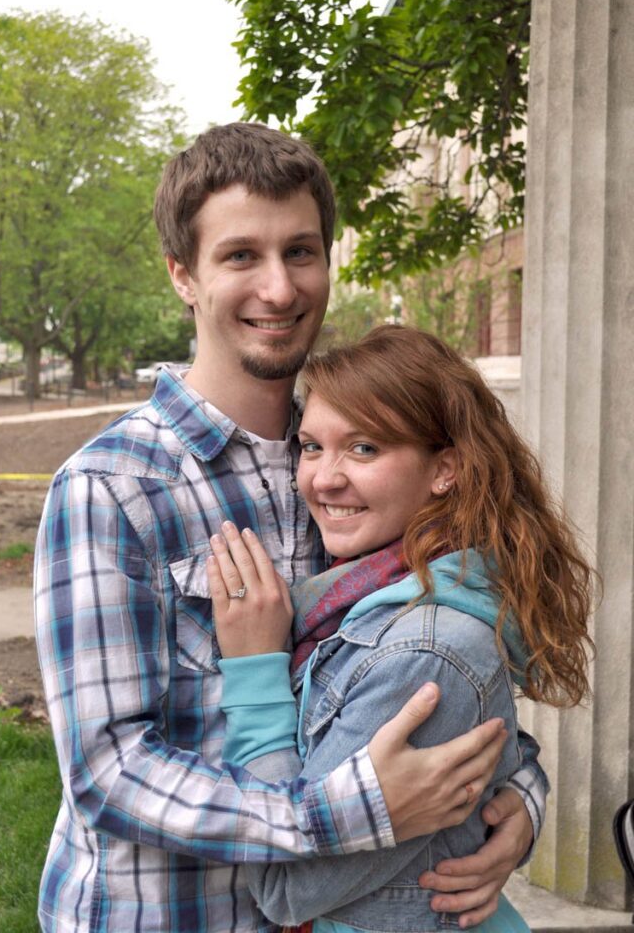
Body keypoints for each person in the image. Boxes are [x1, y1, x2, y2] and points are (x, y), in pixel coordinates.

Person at [34, 124, 546, 933]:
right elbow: (109, 771)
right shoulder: (113, 486)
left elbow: (441, 673)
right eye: (241, 256)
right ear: (183, 276)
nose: (279, 288)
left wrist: (517, 802)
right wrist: (346, 816)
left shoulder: (359, 467)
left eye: (301, 252)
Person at [208, 324, 594, 933]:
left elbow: (286, 890)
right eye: (311, 446)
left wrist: (254, 670)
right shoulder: (373, 590)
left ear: (445, 470)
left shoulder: (426, 647)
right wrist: (525, 790)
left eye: (363, 449)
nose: (323, 478)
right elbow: (499, 740)